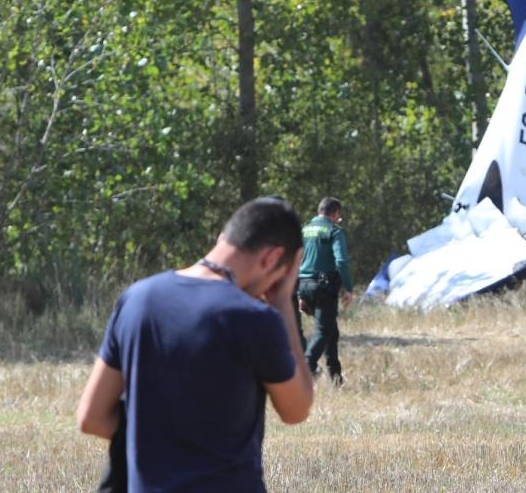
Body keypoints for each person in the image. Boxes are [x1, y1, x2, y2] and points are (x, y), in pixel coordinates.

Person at [77, 196, 314, 492]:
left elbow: (91, 417)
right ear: (270, 258)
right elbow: (297, 409)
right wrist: (282, 303)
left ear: (222, 238)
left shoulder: (138, 299)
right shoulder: (254, 318)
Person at [297, 196, 354, 385]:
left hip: (304, 284)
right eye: (339, 215)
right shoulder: (334, 231)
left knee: (331, 330)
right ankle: (307, 365)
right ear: (335, 213)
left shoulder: (304, 230)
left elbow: (297, 260)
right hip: (323, 287)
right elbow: (341, 261)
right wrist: (348, 287)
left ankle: (336, 377)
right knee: (324, 330)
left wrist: (299, 294)